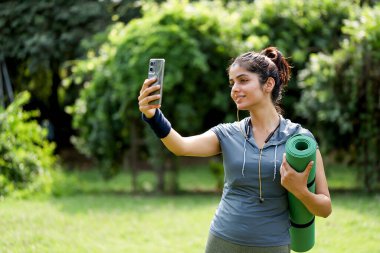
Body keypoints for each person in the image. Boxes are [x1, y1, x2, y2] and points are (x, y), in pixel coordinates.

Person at [138, 47, 332, 253]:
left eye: (243, 80)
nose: (235, 89)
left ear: (268, 84)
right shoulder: (227, 134)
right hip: (222, 239)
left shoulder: (299, 139)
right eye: (232, 83)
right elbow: (181, 146)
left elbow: (325, 208)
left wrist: (300, 191)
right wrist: (153, 116)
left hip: (272, 245)